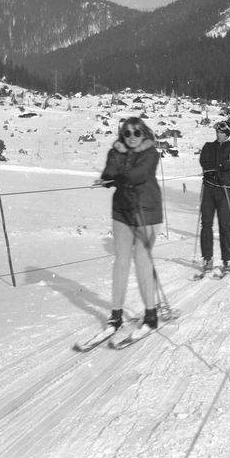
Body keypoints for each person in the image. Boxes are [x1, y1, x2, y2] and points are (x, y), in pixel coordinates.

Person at [95, 117, 162, 341]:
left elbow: (140, 174)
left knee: (142, 261)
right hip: (122, 211)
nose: (131, 137)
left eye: (136, 133)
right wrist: (107, 178)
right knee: (121, 260)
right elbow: (111, 171)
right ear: (121, 135)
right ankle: (116, 315)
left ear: (144, 133)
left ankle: (151, 314)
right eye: (127, 133)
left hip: (147, 211)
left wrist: (119, 178)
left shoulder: (151, 153)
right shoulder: (116, 152)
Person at [198, 120, 230, 276]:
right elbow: (204, 161)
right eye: (217, 132)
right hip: (209, 188)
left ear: (228, 133)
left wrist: (216, 168)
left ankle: (227, 259)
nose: (218, 134)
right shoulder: (208, 146)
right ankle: (207, 258)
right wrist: (216, 168)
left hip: (224, 189)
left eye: (221, 132)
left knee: (224, 224)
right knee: (206, 223)